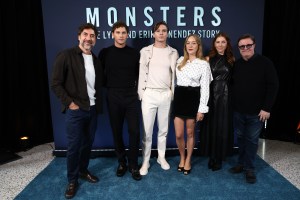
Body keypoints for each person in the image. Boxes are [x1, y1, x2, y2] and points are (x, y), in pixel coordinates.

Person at [51, 23, 104, 199]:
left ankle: (82, 170)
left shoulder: (96, 60)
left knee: (87, 143)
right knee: (74, 146)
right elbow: (56, 83)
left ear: (95, 39)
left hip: (92, 109)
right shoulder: (66, 56)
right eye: (85, 35)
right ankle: (72, 180)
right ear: (79, 37)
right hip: (76, 110)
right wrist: (69, 103)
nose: (89, 38)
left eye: (92, 36)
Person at [229, 34, 279, 184]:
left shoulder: (265, 63)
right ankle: (240, 164)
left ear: (254, 45)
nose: (245, 48)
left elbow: (273, 86)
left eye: (248, 45)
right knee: (241, 139)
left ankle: (249, 168)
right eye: (242, 46)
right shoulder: (236, 65)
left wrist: (266, 108)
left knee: (251, 141)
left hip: (257, 113)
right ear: (239, 49)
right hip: (238, 111)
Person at [98, 21, 141, 181]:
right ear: (112, 34)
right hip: (113, 94)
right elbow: (99, 74)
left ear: (127, 35)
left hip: (131, 95)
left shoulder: (135, 53)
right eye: (118, 32)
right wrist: (109, 87)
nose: (121, 35)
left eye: (124, 33)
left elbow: (140, 75)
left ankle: (133, 164)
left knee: (134, 131)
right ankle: (122, 162)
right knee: (116, 130)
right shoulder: (105, 52)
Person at [138, 21, 179, 176]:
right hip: (149, 94)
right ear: (153, 33)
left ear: (167, 33)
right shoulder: (145, 51)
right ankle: (146, 161)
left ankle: (161, 157)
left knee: (163, 130)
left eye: (164, 30)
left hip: (165, 95)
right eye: (158, 31)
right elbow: (142, 73)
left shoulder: (173, 52)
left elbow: (175, 74)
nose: (161, 33)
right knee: (147, 132)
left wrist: (171, 93)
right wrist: (142, 94)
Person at [173, 34, 212, 175]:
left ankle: (188, 159)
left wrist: (202, 109)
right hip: (179, 98)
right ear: (185, 46)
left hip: (193, 98)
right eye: (188, 43)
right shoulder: (179, 61)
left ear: (198, 46)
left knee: (190, 133)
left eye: (193, 43)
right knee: (178, 134)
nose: (190, 45)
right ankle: (182, 157)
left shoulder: (203, 64)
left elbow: (205, 88)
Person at [199, 32, 235, 171]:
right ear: (214, 44)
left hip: (226, 97)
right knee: (211, 126)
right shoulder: (208, 59)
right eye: (218, 42)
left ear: (227, 44)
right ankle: (212, 156)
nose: (220, 44)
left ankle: (219, 156)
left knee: (222, 126)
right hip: (211, 95)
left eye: (223, 42)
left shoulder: (232, 59)